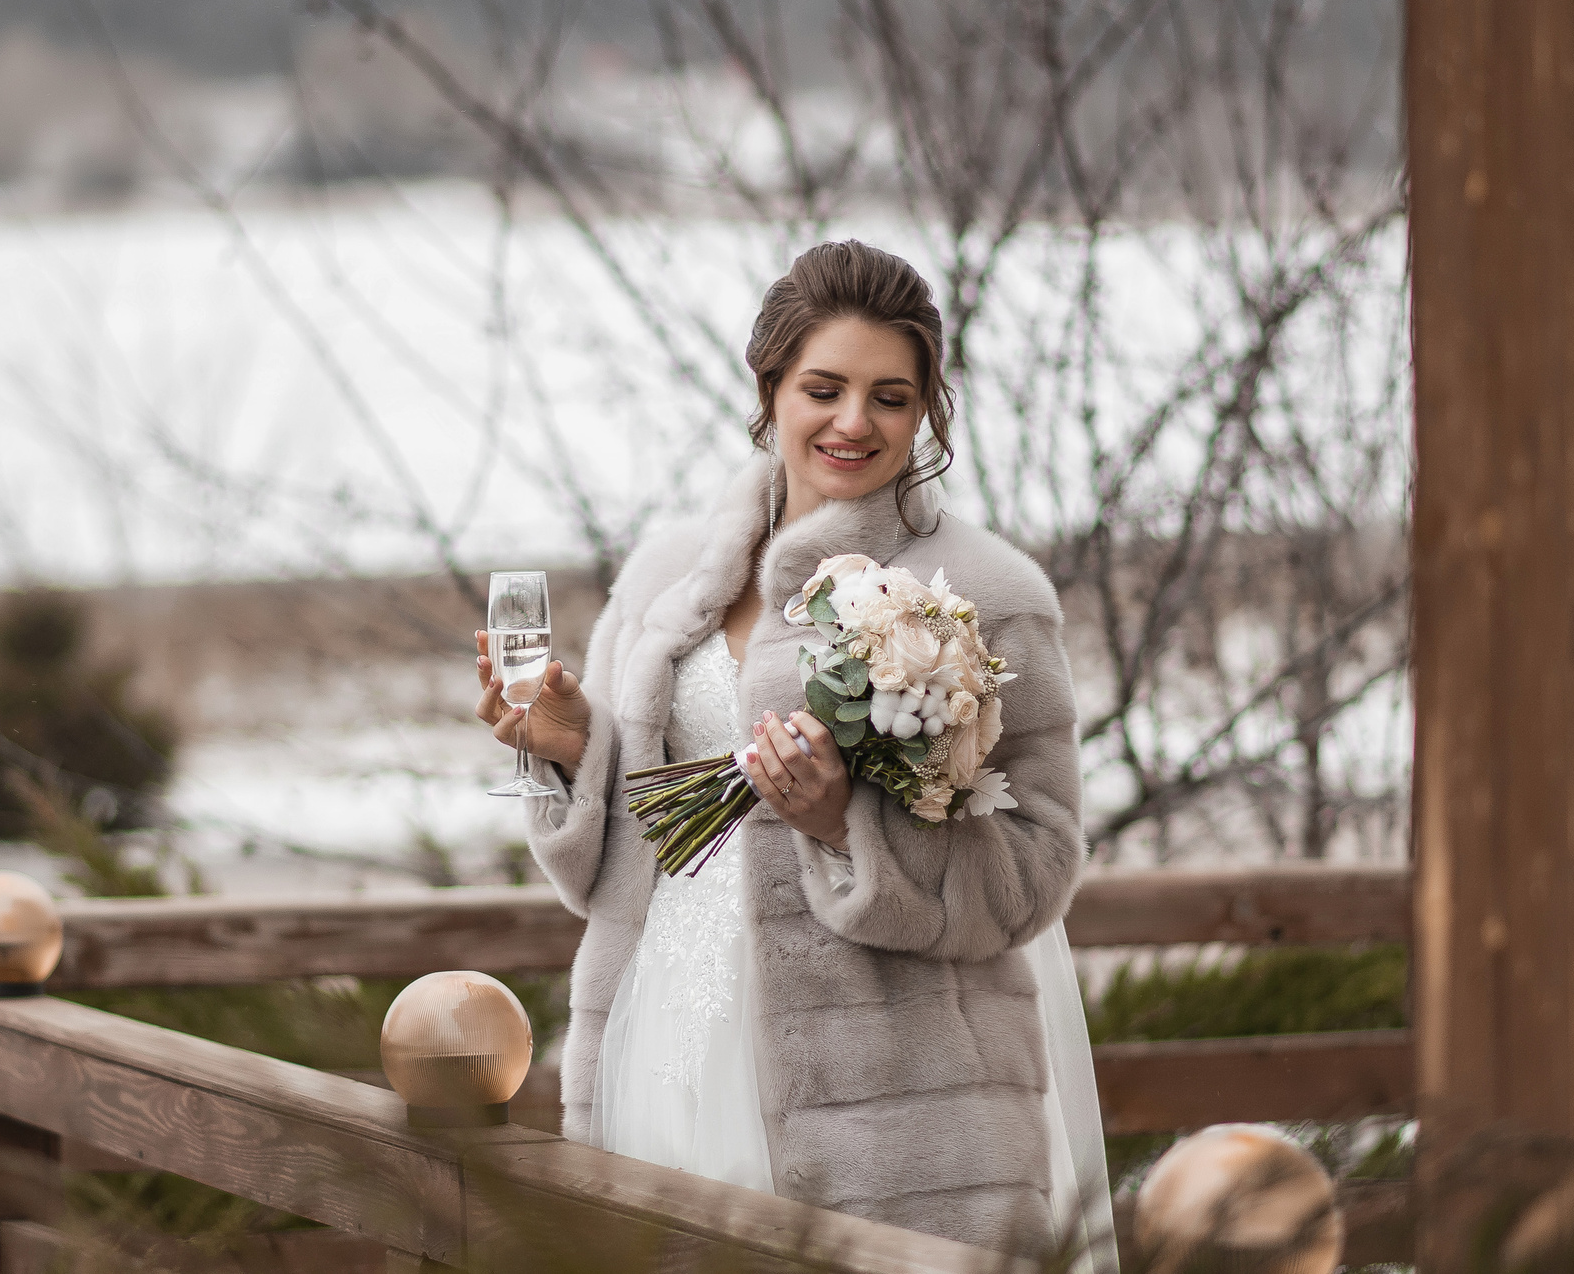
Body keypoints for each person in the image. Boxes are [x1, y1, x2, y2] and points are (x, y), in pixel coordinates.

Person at [473, 240, 1111, 1262]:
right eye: (824, 388)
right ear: (769, 388)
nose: (854, 422)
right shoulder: (665, 576)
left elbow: (1037, 869)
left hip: (894, 1093)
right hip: (663, 1031)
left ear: (928, 411)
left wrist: (843, 828)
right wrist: (568, 749)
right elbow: (616, 859)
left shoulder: (986, 595)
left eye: (891, 396)